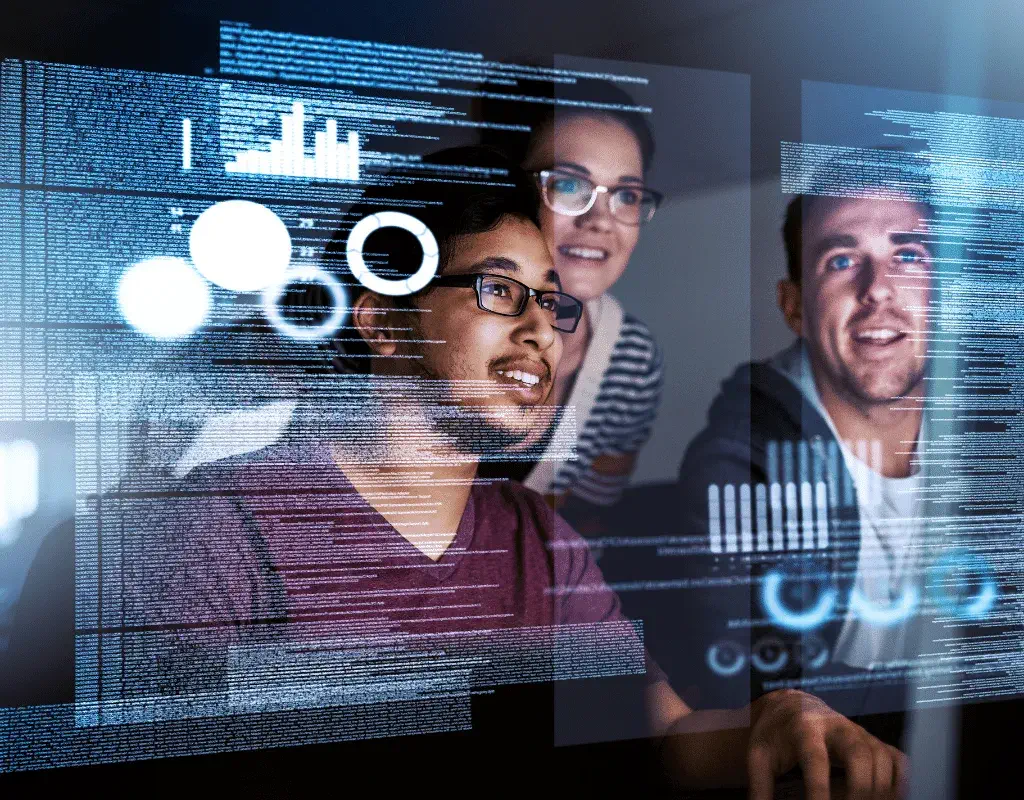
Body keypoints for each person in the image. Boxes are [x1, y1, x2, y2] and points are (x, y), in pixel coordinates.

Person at [6, 151, 907, 798]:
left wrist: (774, 722)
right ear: (382, 321)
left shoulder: (537, 535)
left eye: (552, 302)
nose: (541, 329)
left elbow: (661, 732)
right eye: (499, 289)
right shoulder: (208, 532)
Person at [664, 190, 934, 719]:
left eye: (907, 256)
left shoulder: (996, 432)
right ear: (794, 308)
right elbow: (752, 694)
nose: (878, 289)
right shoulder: (738, 466)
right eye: (842, 260)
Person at [478, 82, 665, 518]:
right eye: (568, 184)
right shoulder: (423, 318)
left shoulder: (630, 360)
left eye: (627, 196)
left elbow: (589, 516)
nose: (600, 220)